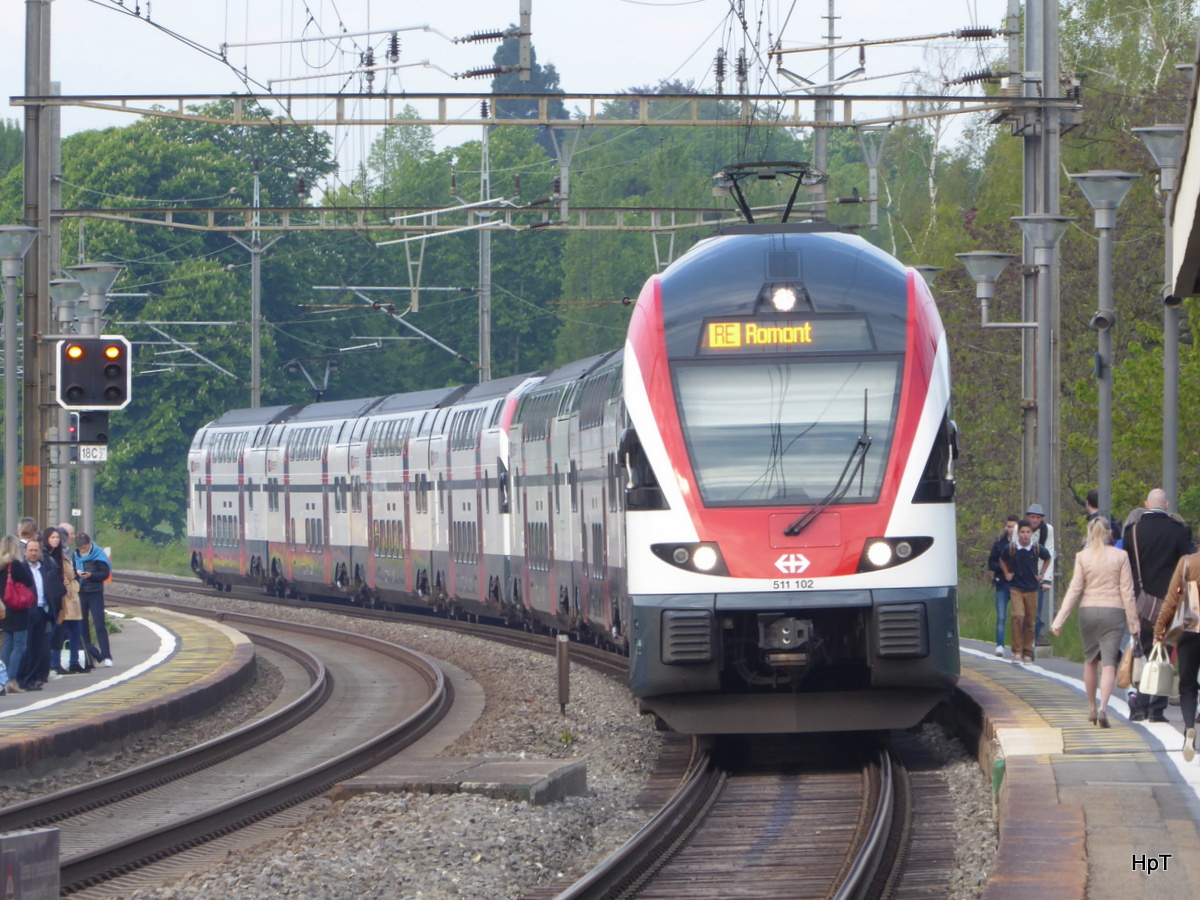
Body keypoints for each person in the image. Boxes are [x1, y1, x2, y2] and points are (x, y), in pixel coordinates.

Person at [1051, 518, 1140, 728]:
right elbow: (1127, 592)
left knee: (1090, 661)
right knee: (1109, 664)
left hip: (1088, 610)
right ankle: (1103, 708)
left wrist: (1059, 620)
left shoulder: (1082, 556)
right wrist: (1134, 623)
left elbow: (1074, 589)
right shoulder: (1121, 556)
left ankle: (1091, 707)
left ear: (1089, 533)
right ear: (1109, 533)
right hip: (1114, 611)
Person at [1126, 488, 1194, 722]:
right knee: (1164, 651)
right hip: (1170, 601)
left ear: (1146, 505)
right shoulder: (1177, 531)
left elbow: (1126, 571)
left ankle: (1141, 704)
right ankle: (1157, 708)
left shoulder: (1132, 532)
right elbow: (1188, 564)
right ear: (1166, 505)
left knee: (1145, 651)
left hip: (1141, 600)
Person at [1154, 549, 1200, 760]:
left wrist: (1159, 630)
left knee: (1188, 686)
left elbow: (1172, 598)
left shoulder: (1188, 562)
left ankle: (1189, 727)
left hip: (1190, 630)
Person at [1000, 518, 1052, 664]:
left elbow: (1048, 558)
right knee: (1017, 616)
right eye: (1022, 532)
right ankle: (1016, 651)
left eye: (1028, 532)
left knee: (1030, 620)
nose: (1025, 535)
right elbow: (1002, 559)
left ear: (1031, 534)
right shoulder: (1011, 548)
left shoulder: (1036, 548)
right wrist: (1006, 573)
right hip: (1016, 587)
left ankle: (1027, 651)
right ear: (1018, 533)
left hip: (1032, 589)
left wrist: (1042, 574)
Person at [17, 539, 65, 690]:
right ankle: (23, 679)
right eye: (30, 550)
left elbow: (47, 589)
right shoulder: (22, 568)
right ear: (25, 552)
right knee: (27, 647)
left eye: (36, 550)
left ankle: (33, 679)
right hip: (28, 612)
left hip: (42, 611)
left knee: (39, 647)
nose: (33, 553)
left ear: (39, 552)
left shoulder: (42, 568)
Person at [44, 526, 85, 674]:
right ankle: (56, 662)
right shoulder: (55, 555)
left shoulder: (64, 554)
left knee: (75, 629)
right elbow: (60, 575)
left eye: (58, 538)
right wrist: (67, 590)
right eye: (54, 538)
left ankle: (73, 662)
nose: (71, 538)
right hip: (64, 597)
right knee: (60, 630)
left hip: (70, 596)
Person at [0, 535, 34, 694]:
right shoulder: (16, 565)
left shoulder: (0, 565)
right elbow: (28, 581)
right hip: (18, 608)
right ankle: (12, 680)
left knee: (7, 643)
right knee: (19, 644)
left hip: (3, 609)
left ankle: (2, 679)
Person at [75, 533, 113, 667]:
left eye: (84, 547)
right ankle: (89, 655)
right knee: (83, 625)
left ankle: (107, 655)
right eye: (80, 548)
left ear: (89, 543)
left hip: (95, 592)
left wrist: (91, 575)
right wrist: (77, 574)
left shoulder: (98, 555)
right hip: (81, 592)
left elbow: (104, 574)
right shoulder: (75, 555)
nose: (82, 550)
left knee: (99, 624)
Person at [987, 515, 1020, 657]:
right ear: (1005, 527)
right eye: (1009, 526)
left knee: (1018, 616)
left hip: (1018, 585)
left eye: (1014, 527)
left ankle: (1017, 646)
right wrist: (1002, 568)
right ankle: (1000, 645)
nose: (1011, 529)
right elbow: (991, 563)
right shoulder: (999, 544)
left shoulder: (1023, 544)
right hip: (1002, 584)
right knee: (1001, 616)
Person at [1025, 503, 1055, 644]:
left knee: (1035, 613)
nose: (1035, 520)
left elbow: (1049, 553)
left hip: (1038, 576)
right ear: (1028, 517)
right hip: (1022, 575)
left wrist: (1046, 579)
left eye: (1037, 517)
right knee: (1021, 613)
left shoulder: (1047, 530)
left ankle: (1031, 644)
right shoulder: (1020, 529)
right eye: (1032, 517)